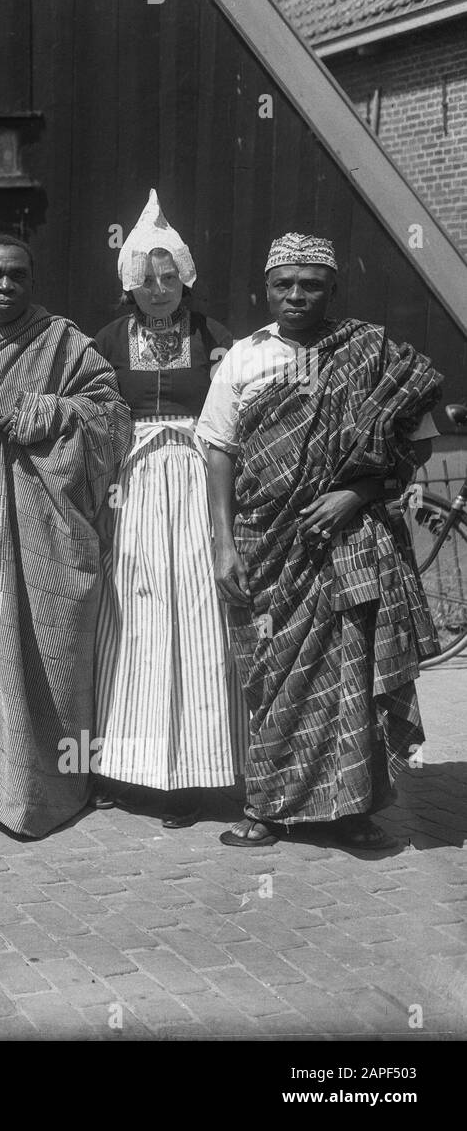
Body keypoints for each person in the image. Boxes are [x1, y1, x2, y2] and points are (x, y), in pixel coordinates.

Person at [197, 233, 442, 850]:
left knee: (350, 669)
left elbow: (419, 443)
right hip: (268, 540)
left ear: (333, 288)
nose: (297, 295)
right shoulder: (244, 357)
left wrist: (356, 493)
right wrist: (224, 543)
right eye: (285, 284)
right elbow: (219, 450)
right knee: (272, 670)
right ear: (266, 288)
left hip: (349, 540)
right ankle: (268, 808)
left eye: (311, 284)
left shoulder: (371, 352)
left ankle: (352, 806)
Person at [0, 234, 131, 839]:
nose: (6, 286)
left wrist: (57, 413)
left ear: (33, 280)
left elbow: (112, 417)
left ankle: (59, 777)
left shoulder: (66, 343)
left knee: (55, 644)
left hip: (49, 528)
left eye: (17, 276)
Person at [93, 191, 249, 827]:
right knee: (134, 618)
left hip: (193, 485)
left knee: (197, 618)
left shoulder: (216, 339)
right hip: (132, 491)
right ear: (129, 281)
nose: (157, 289)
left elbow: (239, 419)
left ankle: (194, 773)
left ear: (184, 277)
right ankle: (133, 768)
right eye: (145, 278)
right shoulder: (106, 339)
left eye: (168, 276)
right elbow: (95, 417)